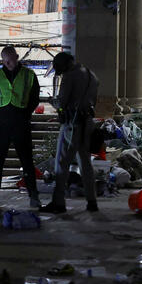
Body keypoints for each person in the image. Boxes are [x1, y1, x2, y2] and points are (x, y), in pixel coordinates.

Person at [0, 46, 42, 208]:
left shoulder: (29, 75)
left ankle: (33, 196)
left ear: (17, 57)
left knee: (27, 162)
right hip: (1, 124)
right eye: (6, 61)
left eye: (12, 60)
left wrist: (25, 113)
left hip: (20, 122)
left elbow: (34, 98)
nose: (9, 63)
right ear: (2, 60)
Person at [42, 52, 99, 214]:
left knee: (61, 164)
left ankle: (58, 203)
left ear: (64, 65)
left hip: (71, 125)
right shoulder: (91, 74)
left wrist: (52, 102)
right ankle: (92, 201)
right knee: (86, 164)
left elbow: (62, 101)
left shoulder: (69, 76)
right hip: (88, 123)